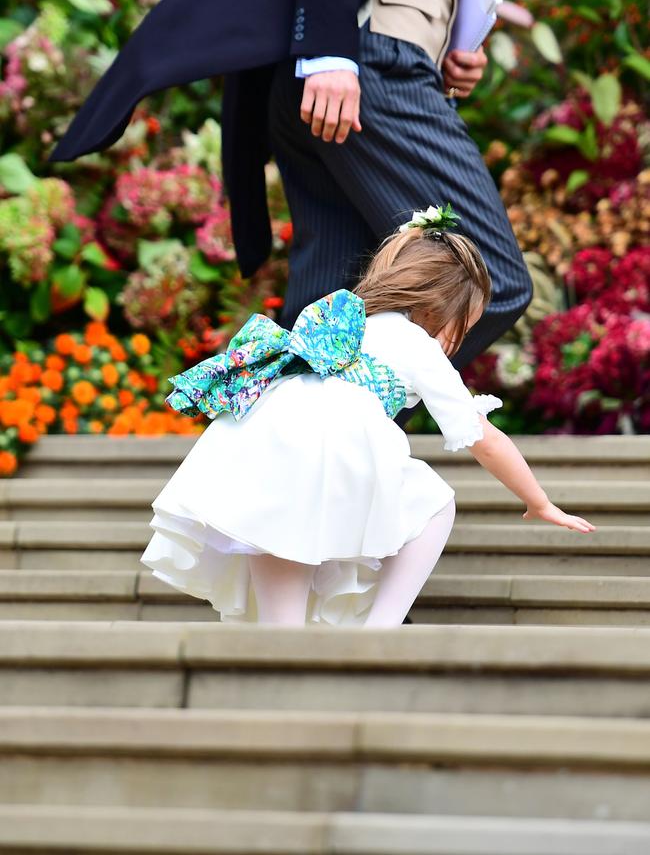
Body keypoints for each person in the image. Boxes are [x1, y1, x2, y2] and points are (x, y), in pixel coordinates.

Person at [47, 0, 532, 371]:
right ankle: (332, 431)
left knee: (329, 314)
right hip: (364, 73)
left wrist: (448, 50)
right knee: (483, 280)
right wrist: (328, 51)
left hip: (357, 73)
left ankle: (291, 440)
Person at [140, 207, 594, 628]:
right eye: (463, 326)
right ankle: (381, 629)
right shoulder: (418, 345)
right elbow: (484, 438)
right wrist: (539, 502)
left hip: (270, 435)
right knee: (434, 501)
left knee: (276, 536)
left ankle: (279, 651)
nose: (457, 341)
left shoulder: (344, 321)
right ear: (440, 310)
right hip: (335, 444)